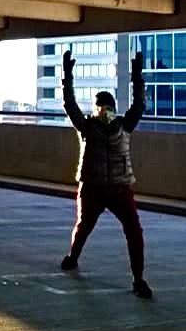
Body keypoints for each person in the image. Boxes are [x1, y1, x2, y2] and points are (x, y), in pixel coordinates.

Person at [60, 48, 152, 298]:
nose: (104, 111)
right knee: (84, 226)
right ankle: (73, 256)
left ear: (112, 107)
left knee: (134, 231)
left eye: (107, 107)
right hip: (92, 187)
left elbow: (140, 104)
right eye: (101, 107)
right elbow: (70, 105)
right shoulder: (87, 127)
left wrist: (137, 75)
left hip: (120, 187)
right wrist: (67, 77)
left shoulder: (124, 125)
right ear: (97, 109)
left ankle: (138, 279)